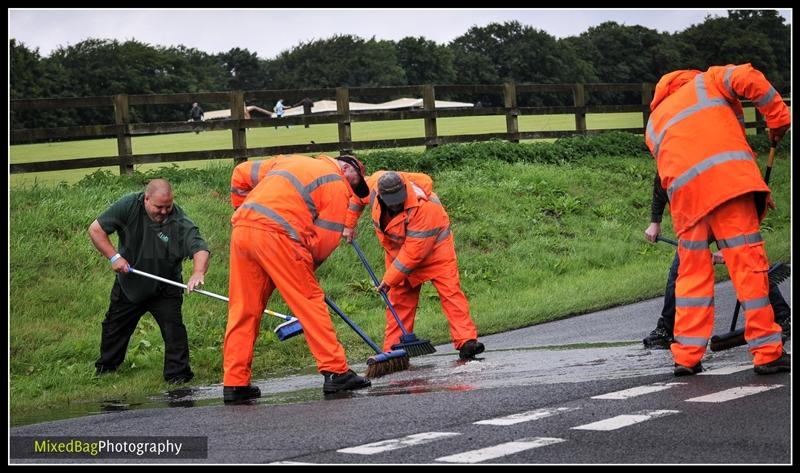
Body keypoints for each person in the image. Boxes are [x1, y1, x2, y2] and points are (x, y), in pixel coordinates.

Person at [645, 63, 790, 376]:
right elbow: (748, 77)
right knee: (749, 268)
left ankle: (686, 356)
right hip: (728, 186)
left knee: (691, 278)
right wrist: (778, 117)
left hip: (685, 200)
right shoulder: (708, 81)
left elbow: (665, 172)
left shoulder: (654, 122)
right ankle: (767, 352)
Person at [223, 154, 372, 403]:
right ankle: (336, 371)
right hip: (279, 236)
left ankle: (235, 383)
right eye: (354, 181)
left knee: (243, 309)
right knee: (310, 301)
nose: (353, 189)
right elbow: (324, 243)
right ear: (345, 167)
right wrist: (303, 269)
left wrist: (241, 208)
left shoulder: (289, 161)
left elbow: (240, 173)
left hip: (243, 230)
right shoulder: (337, 186)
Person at [343, 171, 484, 360]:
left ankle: (467, 341)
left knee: (451, 293)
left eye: (398, 200)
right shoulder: (375, 185)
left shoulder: (424, 206)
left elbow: (413, 253)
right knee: (398, 301)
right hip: (398, 254)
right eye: (391, 201)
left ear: (405, 190)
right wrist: (349, 224)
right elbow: (358, 195)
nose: (395, 205)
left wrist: (389, 280)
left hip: (435, 252)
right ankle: (394, 350)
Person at [642, 173, 791, 349]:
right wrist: (655, 221)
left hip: (729, 209)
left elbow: (748, 194)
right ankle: (666, 329)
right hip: (697, 216)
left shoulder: (721, 164)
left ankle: (783, 316)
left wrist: (730, 246)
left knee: (748, 265)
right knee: (680, 267)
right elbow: (661, 183)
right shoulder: (673, 160)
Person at [88, 179, 210, 384]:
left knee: (174, 330)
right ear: (146, 199)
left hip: (166, 285)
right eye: (158, 207)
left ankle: (178, 377)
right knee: (113, 327)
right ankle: (106, 370)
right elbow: (95, 229)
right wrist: (114, 257)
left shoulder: (178, 221)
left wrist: (198, 272)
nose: (163, 212)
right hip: (129, 282)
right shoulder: (128, 206)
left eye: (168, 207)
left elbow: (200, 248)